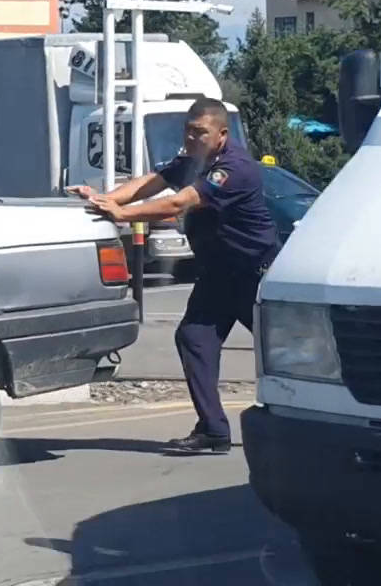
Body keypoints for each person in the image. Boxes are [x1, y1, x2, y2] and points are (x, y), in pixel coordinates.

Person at [69, 98, 279, 453]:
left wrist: (122, 214)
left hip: (254, 275)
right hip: (217, 276)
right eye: (188, 130)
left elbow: (178, 203)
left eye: (201, 132)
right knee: (194, 339)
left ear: (222, 135)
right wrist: (105, 200)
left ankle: (309, 419)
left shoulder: (233, 169)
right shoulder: (192, 161)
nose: (193, 138)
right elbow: (152, 183)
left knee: (283, 351)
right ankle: (213, 431)